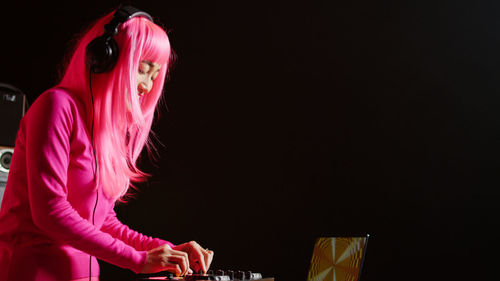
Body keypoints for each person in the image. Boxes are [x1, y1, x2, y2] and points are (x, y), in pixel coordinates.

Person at [0, 5, 213, 281]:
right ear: (105, 58)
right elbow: (50, 212)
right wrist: (138, 260)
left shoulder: (105, 131)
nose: (147, 86)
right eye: (142, 70)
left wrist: (166, 251)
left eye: (154, 74)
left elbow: (102, 221)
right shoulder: (56, 107)